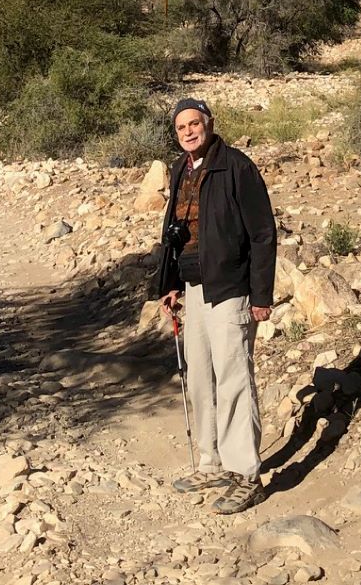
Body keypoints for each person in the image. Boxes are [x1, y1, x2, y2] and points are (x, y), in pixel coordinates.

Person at [151, 96, 276, 515]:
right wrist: (170, 284)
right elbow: (176, 230)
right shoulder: (180, 169)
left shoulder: (237, 167)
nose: (188, 131)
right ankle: (211, 461)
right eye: (181, 126)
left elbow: (262, 234)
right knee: (200, 377)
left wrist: (261, 296)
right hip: (193, 286)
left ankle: (245, 475)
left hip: (231, 288)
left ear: (209, 124)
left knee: (234, 377)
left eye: (194, 124)